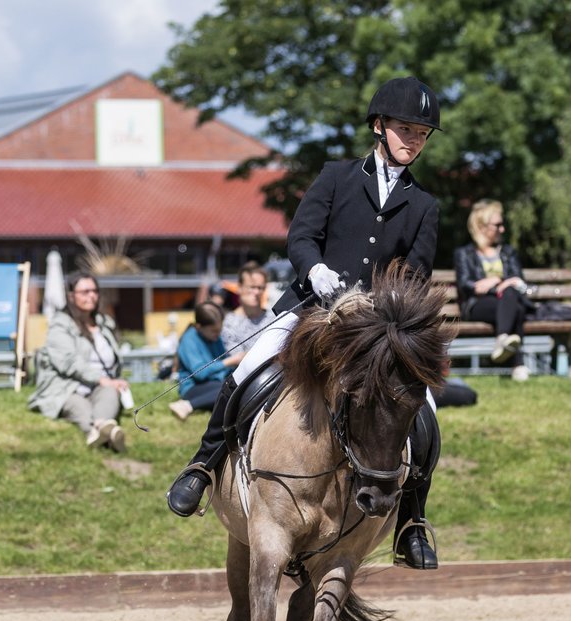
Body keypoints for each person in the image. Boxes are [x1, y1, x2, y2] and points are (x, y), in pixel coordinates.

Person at [165, 76, 444, 569]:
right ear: (379, 127)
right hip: (308, 308)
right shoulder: (337, 177)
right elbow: (301, 237)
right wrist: (315, 270)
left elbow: (416, 274)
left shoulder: (424, 206)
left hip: (374, 332)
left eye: (422, 134)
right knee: (247, 368)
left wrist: (378, 306)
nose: (414, 140)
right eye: (406, 130)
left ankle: (412, 522)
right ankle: (202, 467)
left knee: (423, 409)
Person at [28, 272, 129, 452]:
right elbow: (68, 362)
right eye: (85, 291)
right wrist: (101, 379)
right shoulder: (60, 324)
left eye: (94, 291)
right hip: (67, 386)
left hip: (100, 386)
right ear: (71, 296)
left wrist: (110, 382)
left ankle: (102, 427)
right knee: (78, 405)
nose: (91, 295)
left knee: (110, 393)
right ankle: (99, 433)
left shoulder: (104, 323)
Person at [452, 199, 533, 381]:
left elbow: (518, 280)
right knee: (515, 308)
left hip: (507, 301)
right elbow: (466, 285)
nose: (502, 229)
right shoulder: (464, 254)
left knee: (512, 298)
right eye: (498, 225)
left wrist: (495, 281)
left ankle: (502, 338)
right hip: (477, 305)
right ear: (481, 226)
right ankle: (518, 364)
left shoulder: (508, 252)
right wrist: (499, 285)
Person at [170, 303, 243, 421]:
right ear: (199, 327)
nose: (218, 334)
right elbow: (199, 373)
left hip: (215, 383)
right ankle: (188, 405)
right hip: (193, 388)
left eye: (219, 330)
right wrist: (229, 362)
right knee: (228, 388)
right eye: (214, 331)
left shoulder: (214, 337)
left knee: (238, 384)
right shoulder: (189, 340)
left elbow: (221, 363)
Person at [220, 261, 276, 356]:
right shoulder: (229, 323)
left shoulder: (274, 318)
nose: (256, 292)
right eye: (252, 287)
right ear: (239, 287)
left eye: (260, 288)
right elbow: (237, 358)